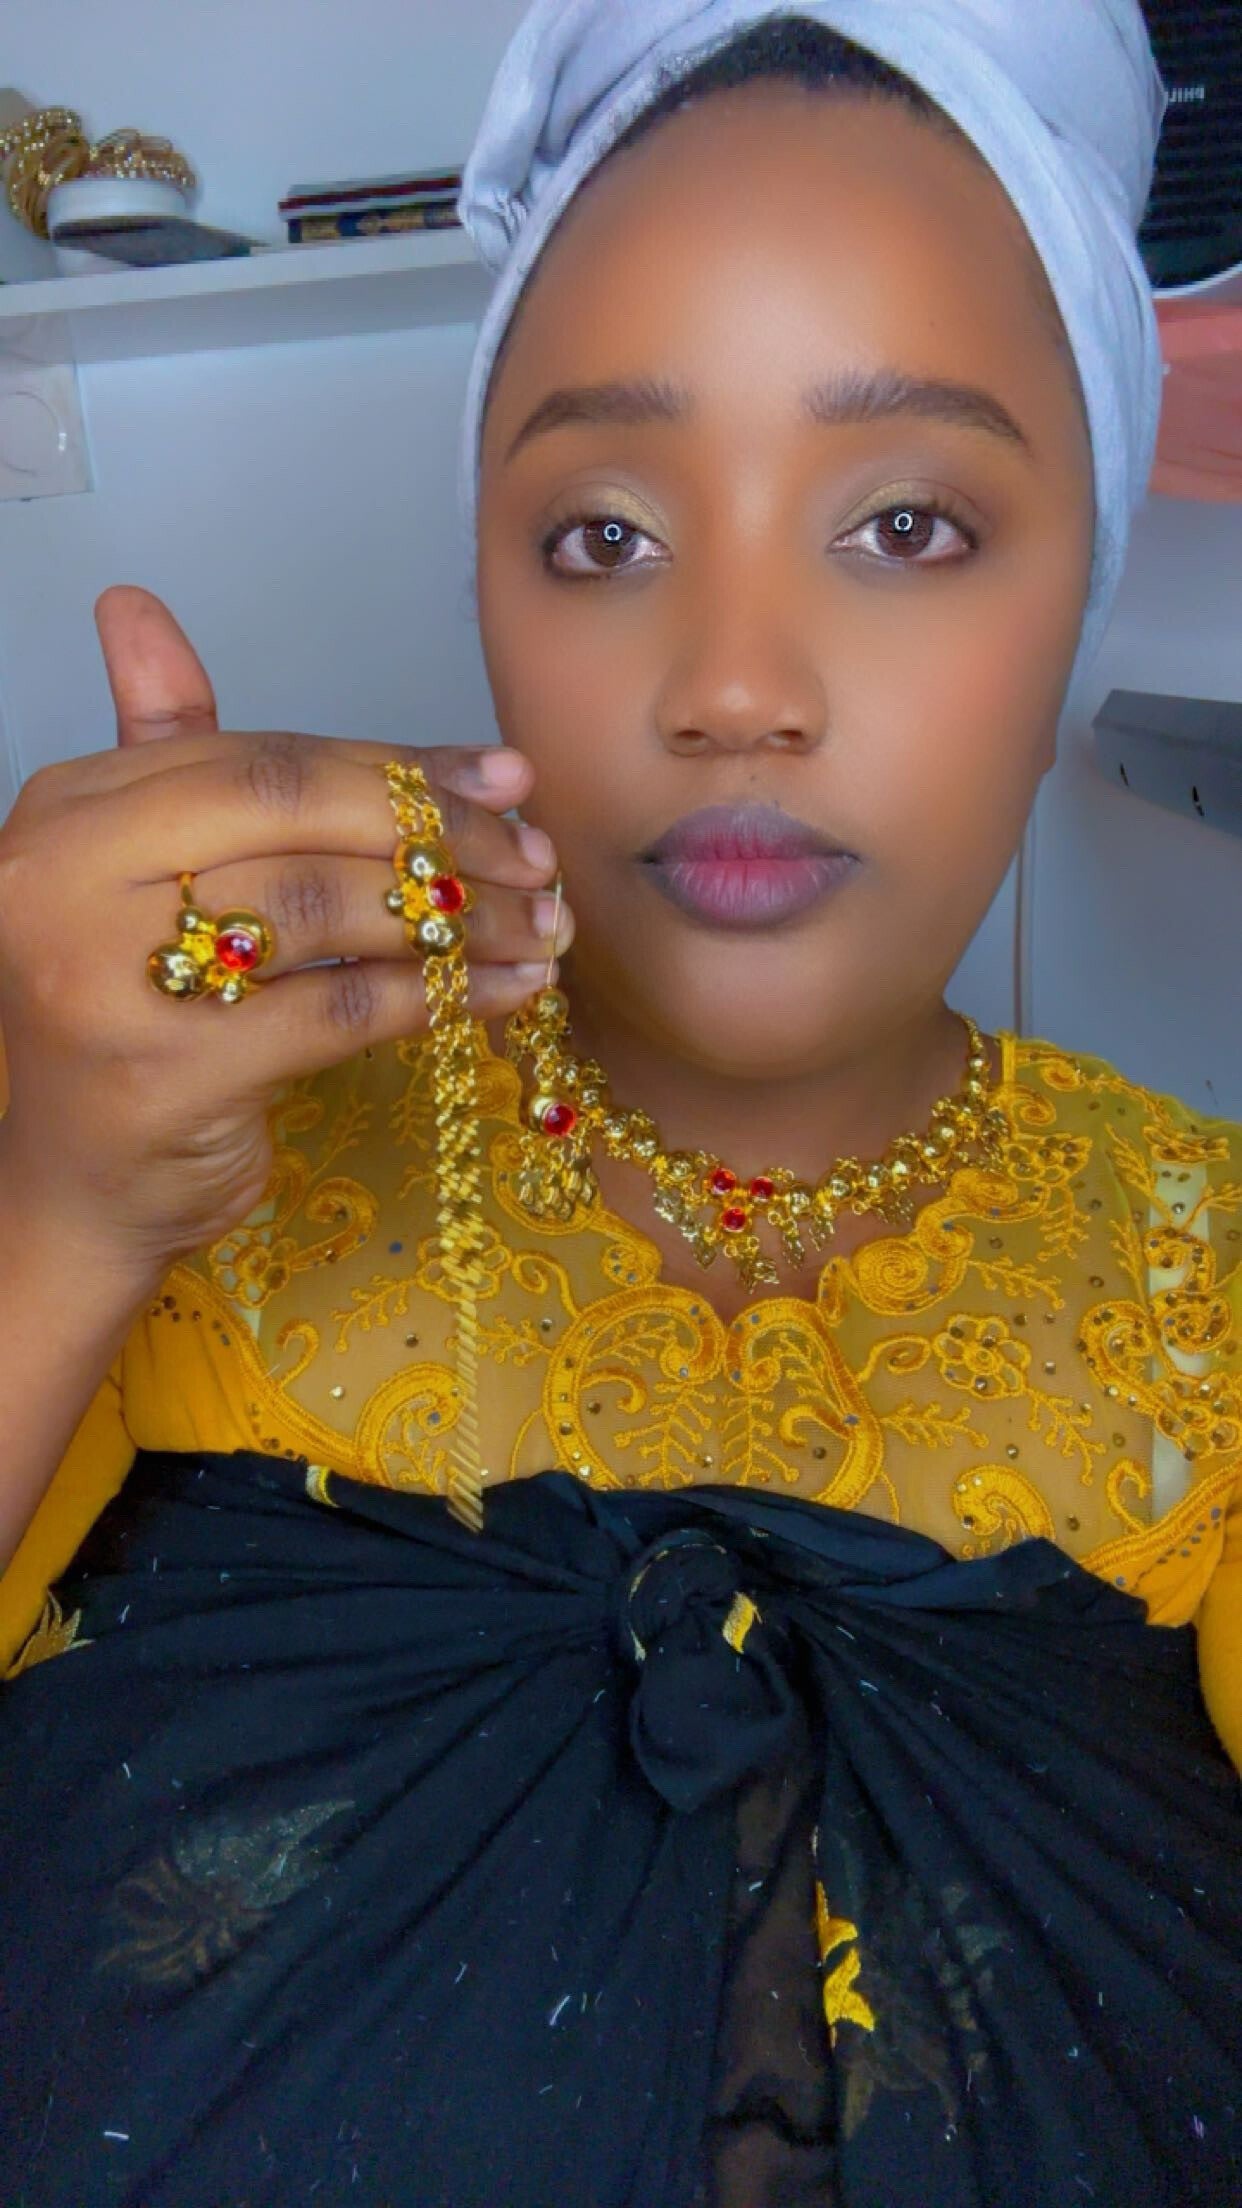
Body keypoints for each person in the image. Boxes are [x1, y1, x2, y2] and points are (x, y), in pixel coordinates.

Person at [0, 4, 1239, 2203]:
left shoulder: (1208, 1288)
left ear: (1081, 607)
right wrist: (55, 1203)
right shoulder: (185, 1165)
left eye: (910, 523)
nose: (734, 688)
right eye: (601, 536)